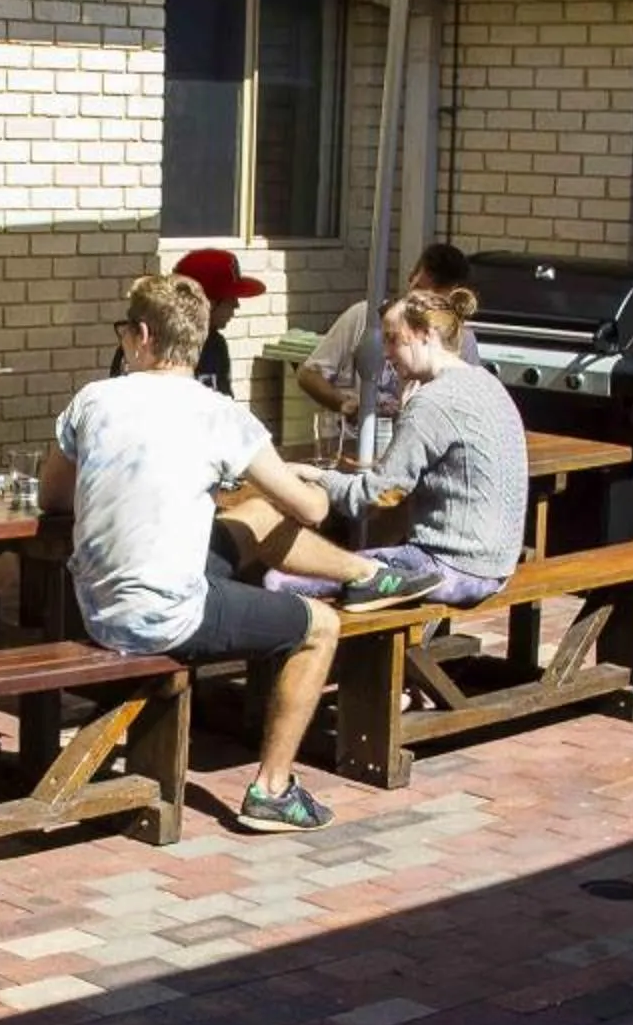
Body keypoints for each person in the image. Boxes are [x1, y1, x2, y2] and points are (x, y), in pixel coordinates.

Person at [41, 273, 443, 835]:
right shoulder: (221, 415)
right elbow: (311, 511)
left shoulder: (93, 400)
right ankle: (271, 790)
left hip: (99, 603)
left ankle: (369, 574)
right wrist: (297, 476)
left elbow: (51, 496)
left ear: (139, 335)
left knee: (257, 514)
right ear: (199, 339)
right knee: (321, 625)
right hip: (164, 617)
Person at [276, 286, 529, 607]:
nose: (384, 352)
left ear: (426, 335)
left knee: (279, 578)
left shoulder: (432, 402)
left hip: (449, 568)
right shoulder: (487, 383)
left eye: (393, 338)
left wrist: (314, 476)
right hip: (496, 568)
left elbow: (376, 498)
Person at [297, 241, 481, 431]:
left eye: (435, 305)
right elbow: (308, 374)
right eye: (419, 294)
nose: (422, 309)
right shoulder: (363, 315)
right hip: (354, 441)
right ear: (411, 279)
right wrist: (344, 403)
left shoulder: (462, 339)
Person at [104, 246, 259, 395]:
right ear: (206, 301)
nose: (236, 305)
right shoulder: (143, 345)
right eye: (230, 298)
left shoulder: (216, 345)